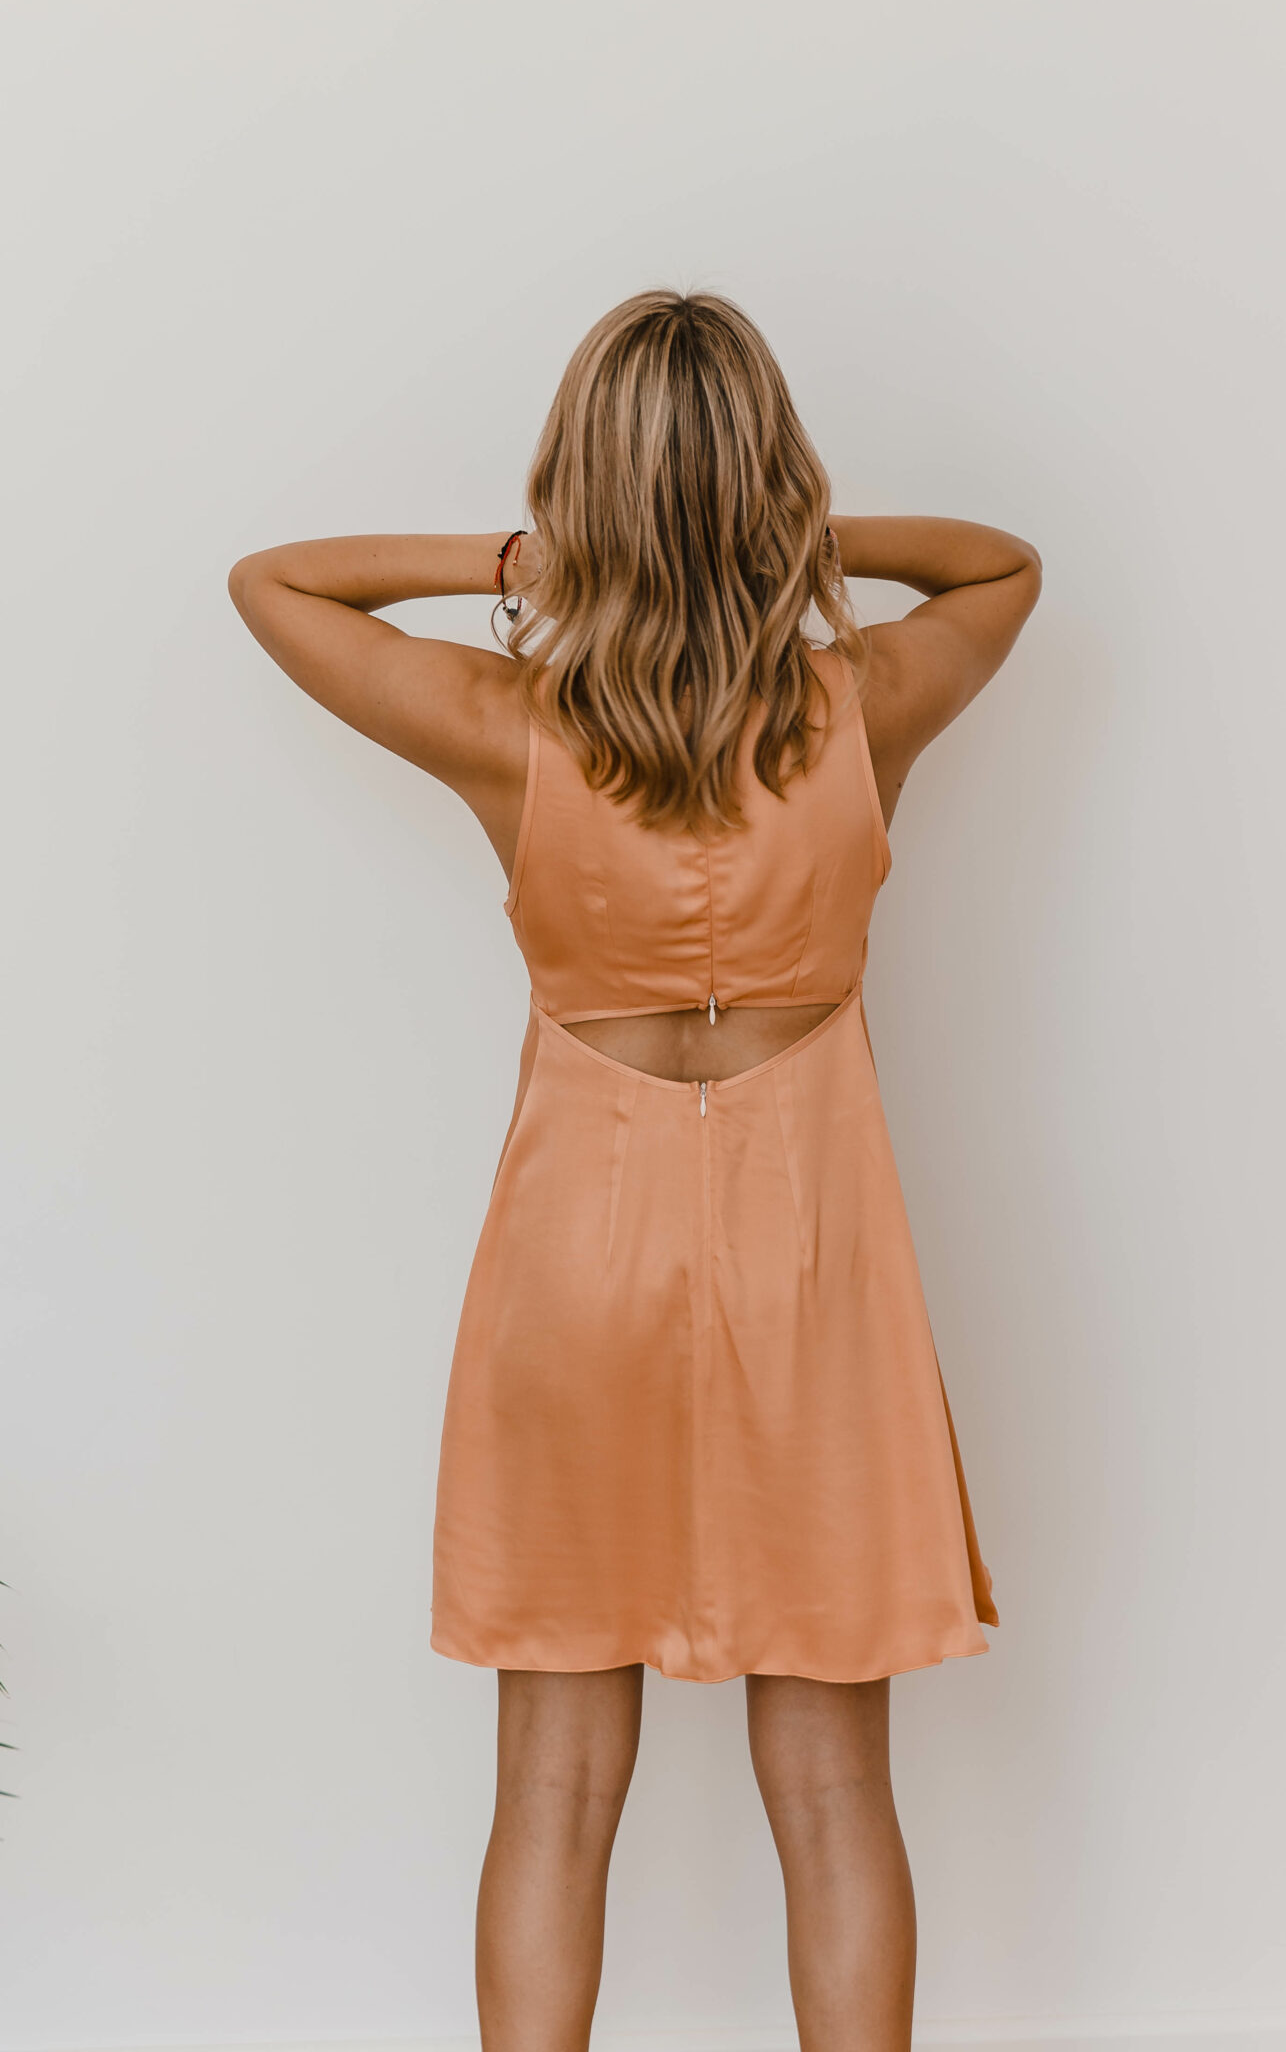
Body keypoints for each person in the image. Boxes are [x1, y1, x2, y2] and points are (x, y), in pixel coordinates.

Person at [228, 290, 1041, 2052]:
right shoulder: (864, 703)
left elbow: (274, 582)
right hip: (813, 1253)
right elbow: (1001, 566)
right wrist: (774, 546)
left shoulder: (503, 720)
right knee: (832, 1788)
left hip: (574, 1258)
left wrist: (542, 557)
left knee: (553, 1785)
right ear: (776, 480)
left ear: (578, 485)